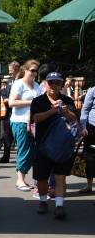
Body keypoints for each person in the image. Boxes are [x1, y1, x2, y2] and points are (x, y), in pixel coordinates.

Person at [30, 72, 77, 219]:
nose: (54, 85)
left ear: (61, 84)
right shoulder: (38, 101)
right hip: (43, 146)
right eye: (51, 82)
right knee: (42, 178)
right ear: (46, 84)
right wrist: (52, 111)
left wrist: (65, 110)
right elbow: (35, 118)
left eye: (57, 82)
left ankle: (59, 206)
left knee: (60, 177)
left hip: (63, 146)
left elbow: (75, 118)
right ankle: (43, 201)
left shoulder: (67, 100)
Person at [9, 60, 42, 190]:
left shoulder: (37, 85)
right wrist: (31, 102)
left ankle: (29, 178)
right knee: (24, 150)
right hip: (20, 121)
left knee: (34, 151)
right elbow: (12, 102)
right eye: (32, 70)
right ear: (25, 70)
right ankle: (20, 180)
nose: (34, 73)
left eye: (36, 70)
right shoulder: (19, 84)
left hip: (34, 122)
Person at [0, 61, 20, 163]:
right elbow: (5, 93)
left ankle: (20, 158)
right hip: (8, 112)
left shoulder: (21, 82)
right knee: (7, 134)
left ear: (17, 70)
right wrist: (4, 95)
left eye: (11, 71)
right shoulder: (10, 82)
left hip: (18, 112)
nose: (10, 73)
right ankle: (5, 156)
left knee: (18, 136)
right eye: (9, 71)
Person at [78, 84, 95, 194]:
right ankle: (89, 185)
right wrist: (83, 127)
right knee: (90, 157)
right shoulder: (93, 90)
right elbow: (85, 110)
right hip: (92, 127)